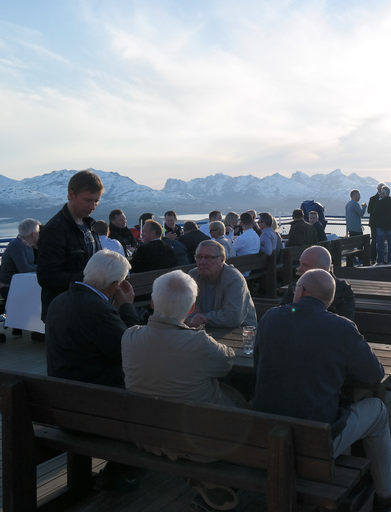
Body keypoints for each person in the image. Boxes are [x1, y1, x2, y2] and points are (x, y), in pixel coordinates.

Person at [252, 269, 391, 511]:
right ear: (329, 300)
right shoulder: (342, 327)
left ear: (301, 292)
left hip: (264, 432)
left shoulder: (269, 318)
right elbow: (375, 375)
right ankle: (386, 492)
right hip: (315, 441)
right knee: (378, 409)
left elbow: (258, 363)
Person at [121, 269, 241, 510]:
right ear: (190, 308)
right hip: (199, 443)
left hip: (147, 435)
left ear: (153, 302)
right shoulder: (199, 342)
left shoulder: (130, 337)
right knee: (240, 401)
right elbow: (226, 364)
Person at [45, 249, 141, 492]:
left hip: (61, 404)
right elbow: (132, 353)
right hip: (93, 410)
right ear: (116, 285)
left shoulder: (59, 301)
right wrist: (127, 308)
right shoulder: (97, 310)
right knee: (152, 396)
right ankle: (118, 473)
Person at [37, 170, 104, 322]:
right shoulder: (55, 229)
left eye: (96, 201)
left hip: (86, 307)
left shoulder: (88, 225)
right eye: (87, 200)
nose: (93, 206)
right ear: (71, 195)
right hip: (64, 312)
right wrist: (90, 279)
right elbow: (47, 277)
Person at [185, 240, 257, 329]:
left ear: (222, 259)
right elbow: (182, 308)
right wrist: (190, 318)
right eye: (199, 257)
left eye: (208, 257)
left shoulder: (234, 279)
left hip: (239, 333)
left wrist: (201, 316)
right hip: (207, 331)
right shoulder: (193, 275)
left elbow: (233, 318)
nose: (202, 262)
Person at [279, 245, 355, 319]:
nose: (299, 269)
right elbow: (281, 314)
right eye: (300, 263)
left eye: (305, 265)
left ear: (322, 270)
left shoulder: (342, 292)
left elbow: (341, 326)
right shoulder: (296, 286)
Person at [0, 218, 40, 300]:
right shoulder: (16, 245)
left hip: (22, 285)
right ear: (33, 234)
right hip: (10, 288)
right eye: (38, 233)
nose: (39, 235)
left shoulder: (28, 245)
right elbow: (24, 268)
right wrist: (40, 267)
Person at [375, 186, 391, 265]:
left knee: (380, 243)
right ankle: (390, 260)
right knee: (390, 243)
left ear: (383, 193)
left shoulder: (379, 202)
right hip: (390, 225)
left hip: (380, 225)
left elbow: (375, 212)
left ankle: (380, 260)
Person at [367, 183, 385, 263]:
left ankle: (381, 258)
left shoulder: (385, 198)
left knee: (383, 241)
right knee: (374, 241)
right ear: (378, 189)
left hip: (382, 223)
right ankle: (373, 258)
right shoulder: (373, 199)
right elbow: (369, 210)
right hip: (374, 223)